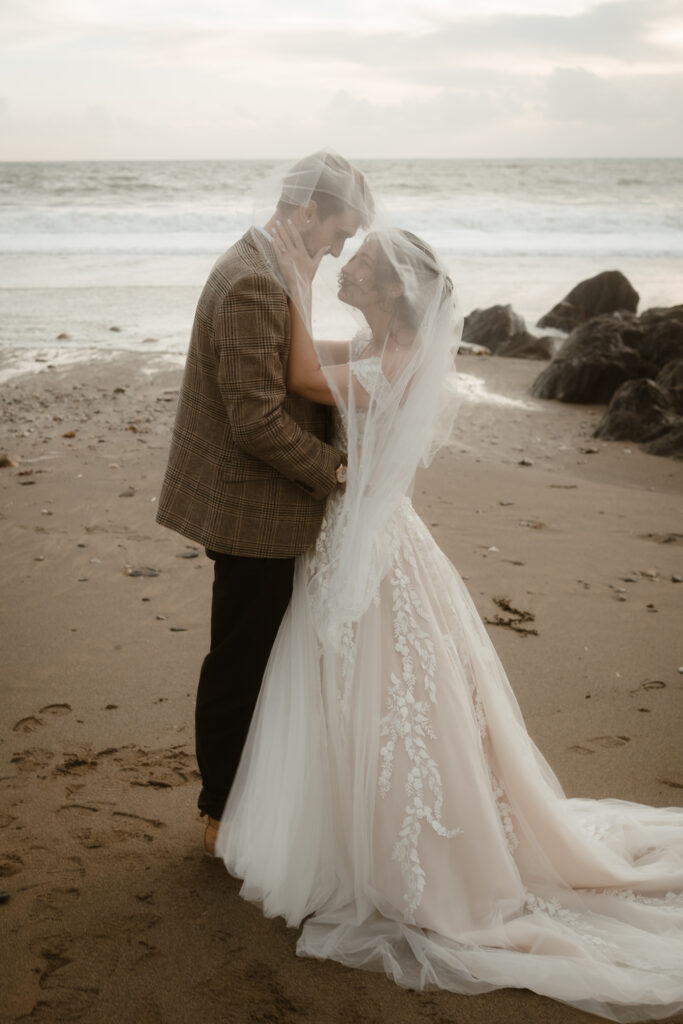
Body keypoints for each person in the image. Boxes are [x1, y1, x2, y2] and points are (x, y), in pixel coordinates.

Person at [214, 220, 683, 1023]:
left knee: (384, 695)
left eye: (359, 264)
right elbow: (314, 359)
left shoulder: (391, 363)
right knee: (362, 693)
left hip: (365, 548)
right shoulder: (376, 346)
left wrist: (288, 274)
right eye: (349, 257)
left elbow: (295, 369)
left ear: (391, 289)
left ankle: (406, 862)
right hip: (359, 539)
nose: (348, 267)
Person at [156, 151, 374, 854]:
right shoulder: (255, 278)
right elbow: (254, 421)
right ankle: (219, 813)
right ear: (307, 210)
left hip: (262, 501)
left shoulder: (279, 263)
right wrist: (336, 472)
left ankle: (236, 802)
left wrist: (370, 350)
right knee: (241, 659)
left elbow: (293, 364)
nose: (341, 247)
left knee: (254, 653)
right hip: (252, 508)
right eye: (338, 230)